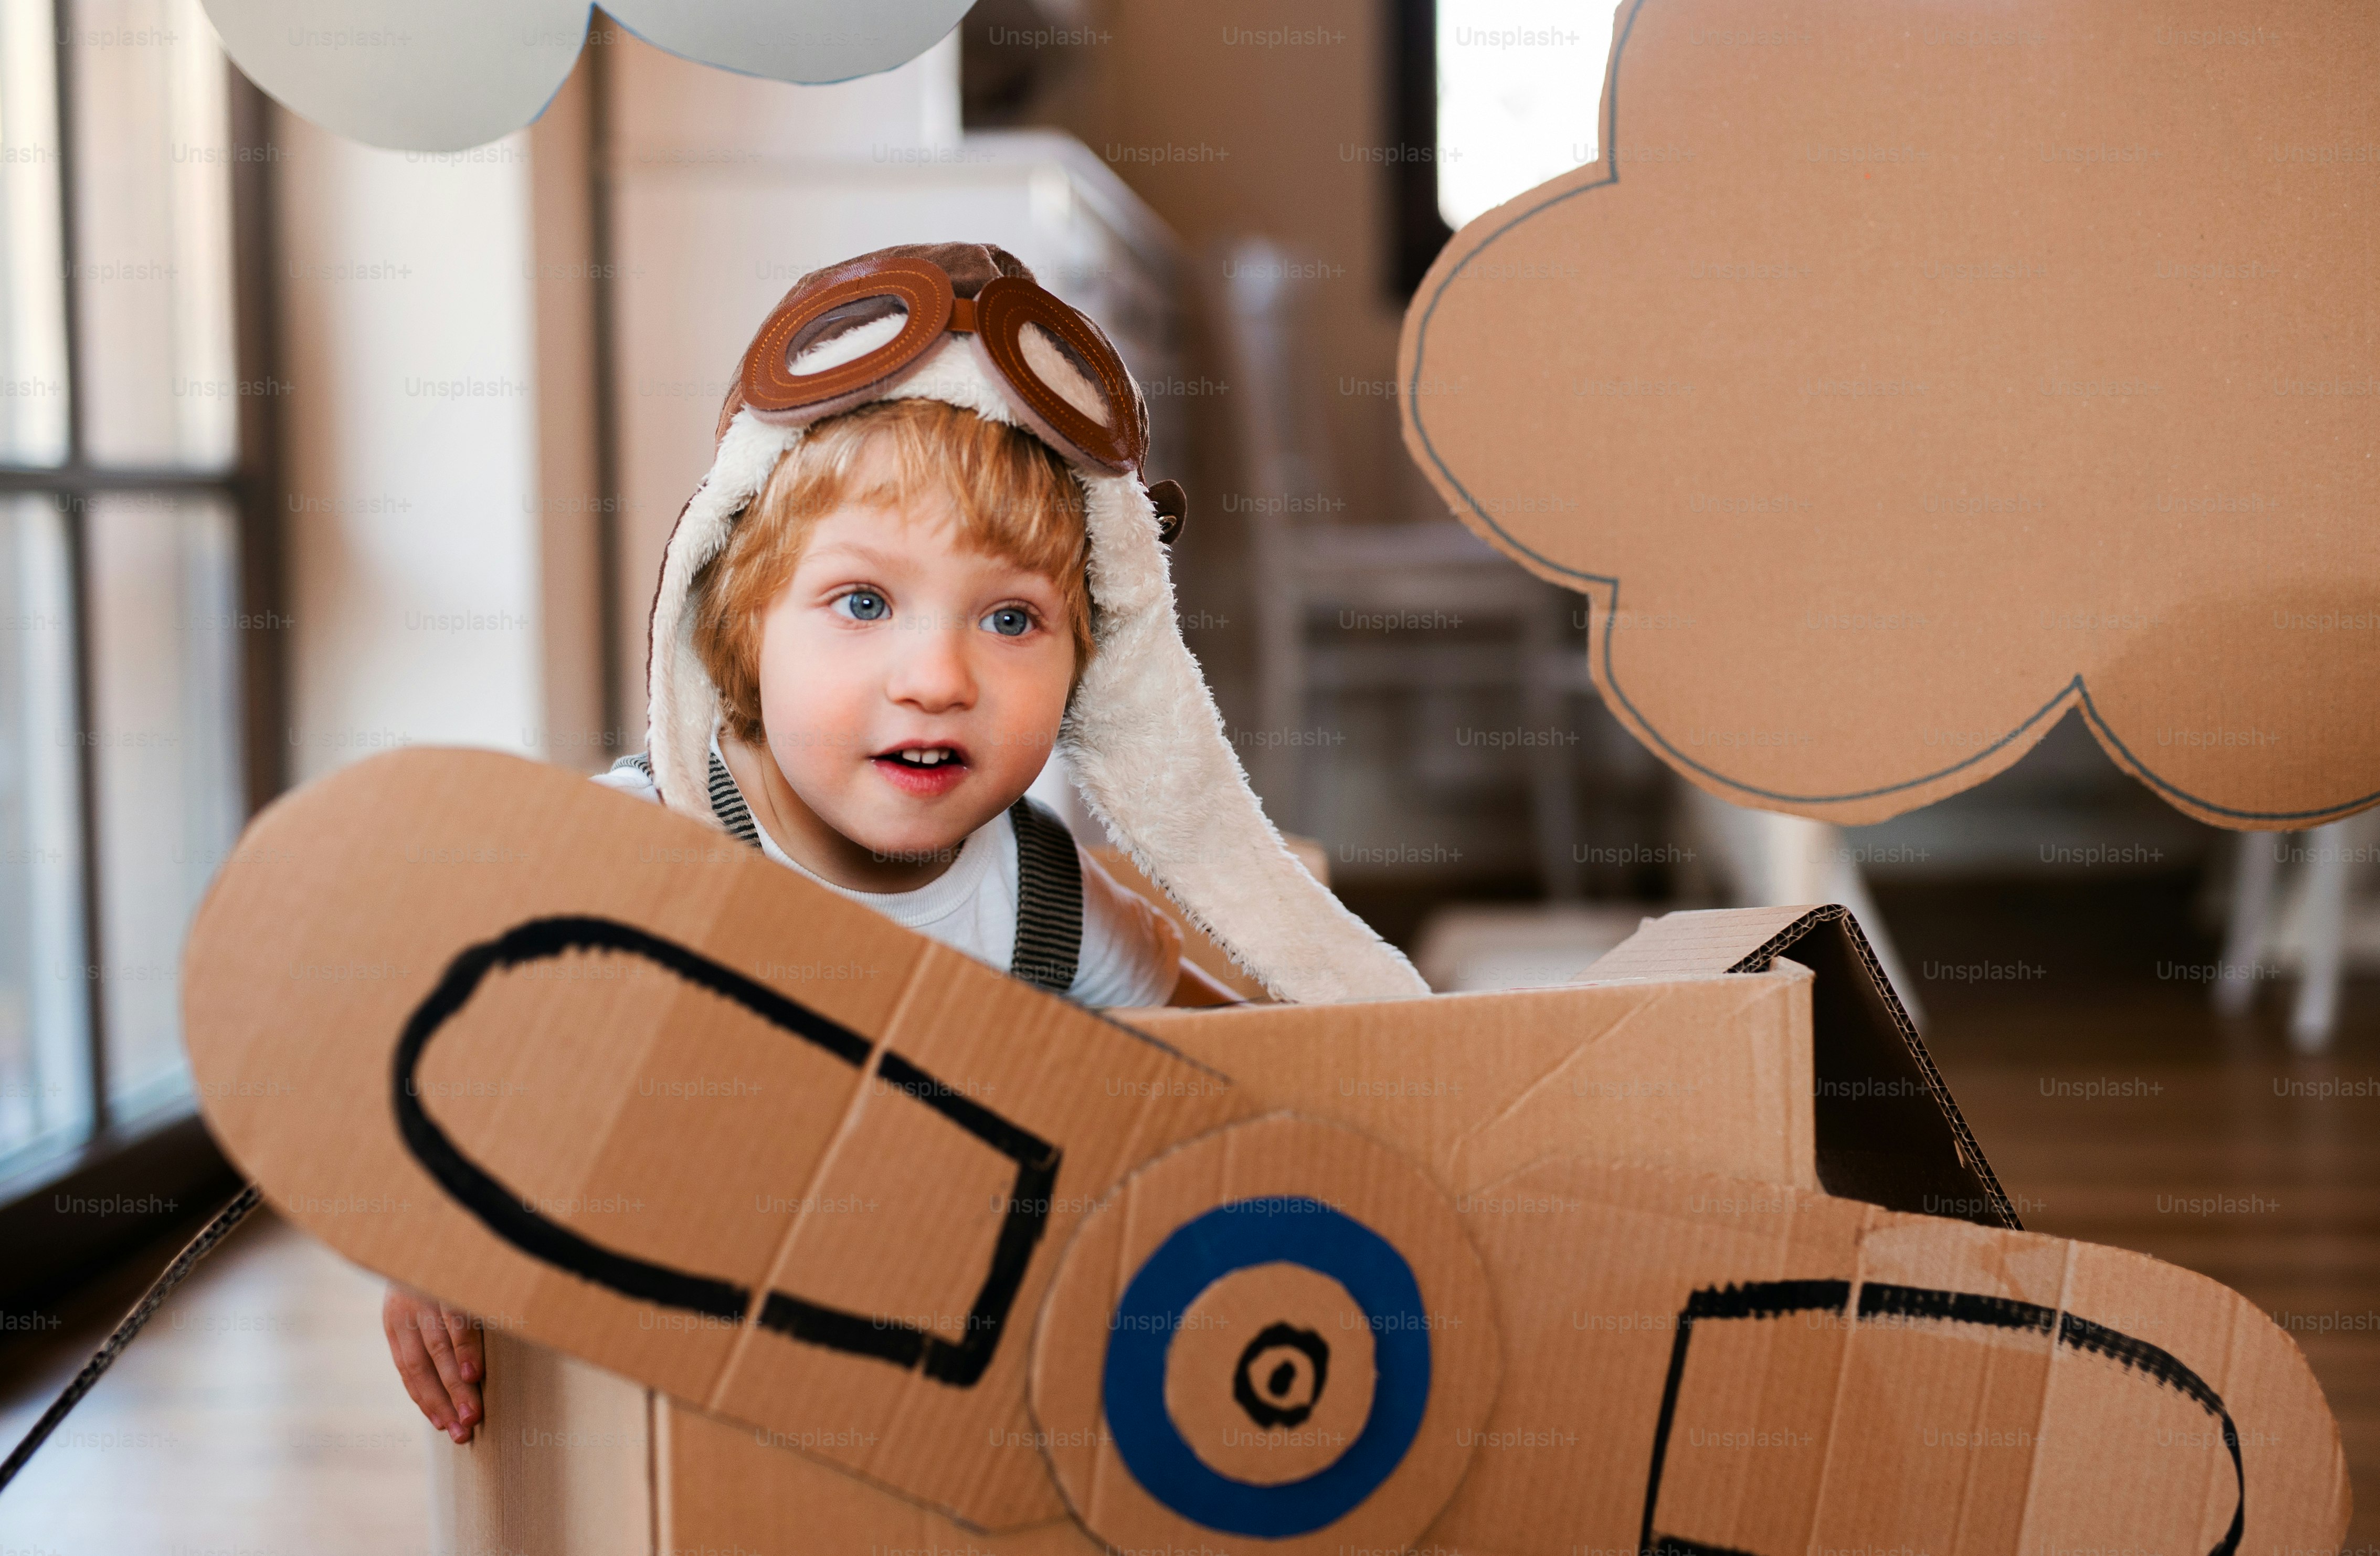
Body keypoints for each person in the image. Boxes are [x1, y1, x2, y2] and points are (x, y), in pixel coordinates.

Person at [381, 242, 1427, 1444]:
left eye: (1012, 617)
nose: (937, 678)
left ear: (1097, 672)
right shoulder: (633, 857)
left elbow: (1241, 1078)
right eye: (864, 603)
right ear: (738, 619)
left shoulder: (1042, 902)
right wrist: (427, 1247)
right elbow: (449, 1071)